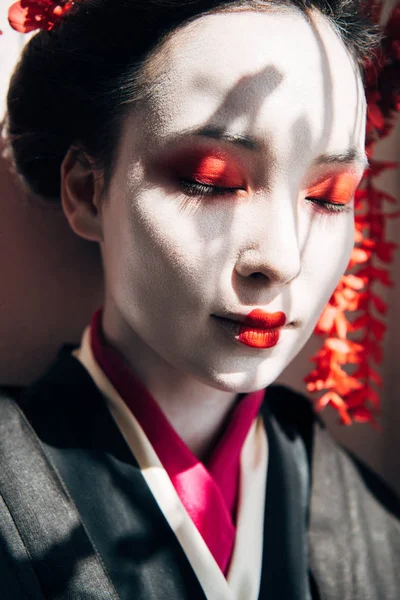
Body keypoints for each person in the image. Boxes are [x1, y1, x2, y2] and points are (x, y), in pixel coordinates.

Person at [1, 1, 400, 598]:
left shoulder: (375, 531)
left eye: (328, 196)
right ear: (87, 189)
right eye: (210, 181)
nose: (282, 259)